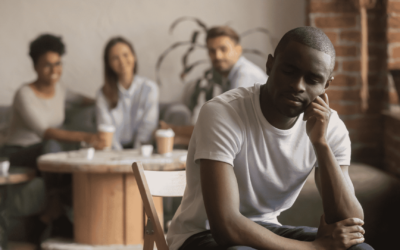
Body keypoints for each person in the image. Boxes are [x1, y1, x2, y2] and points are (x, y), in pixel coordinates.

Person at [167, 27, 373, 250]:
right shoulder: (223, 113)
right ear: (270, 65)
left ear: (326, 85)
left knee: (358, 248)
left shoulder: (330, 127)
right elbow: (225, 227)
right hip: (201, 235)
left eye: (312, 79)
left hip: (266, 228)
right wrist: (314, 248)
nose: (298, 86)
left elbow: (350, 222)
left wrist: (321, 145)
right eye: (289, 71)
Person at [2, 34, 105, 168]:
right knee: (52, 143)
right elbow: (45, 132)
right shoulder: (24, 94)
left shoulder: (60, 89)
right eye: (47, 65)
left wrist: (107, 101)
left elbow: (82, 99)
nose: (54, 70)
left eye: (57, 63)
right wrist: (87, 137)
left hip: (46, 151)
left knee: (59, 147)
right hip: (17, 152)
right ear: (35, 67)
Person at [188, 26, 268, 123]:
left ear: (238, 50)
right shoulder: (224, 76)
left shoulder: (245, 75)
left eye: (223, 49)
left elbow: (232, 120)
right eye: (212, 51)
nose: (217, 56)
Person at [96, 37, 159, 150]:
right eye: (115, 58)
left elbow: (147, 127)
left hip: (142, 151)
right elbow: (107, 131)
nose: (121, 61)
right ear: (109, 64)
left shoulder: (149, 88)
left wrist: (136, 156)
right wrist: (119, 157)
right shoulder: (103, 94)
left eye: (125, 55)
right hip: (113, 152)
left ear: (134, 56)